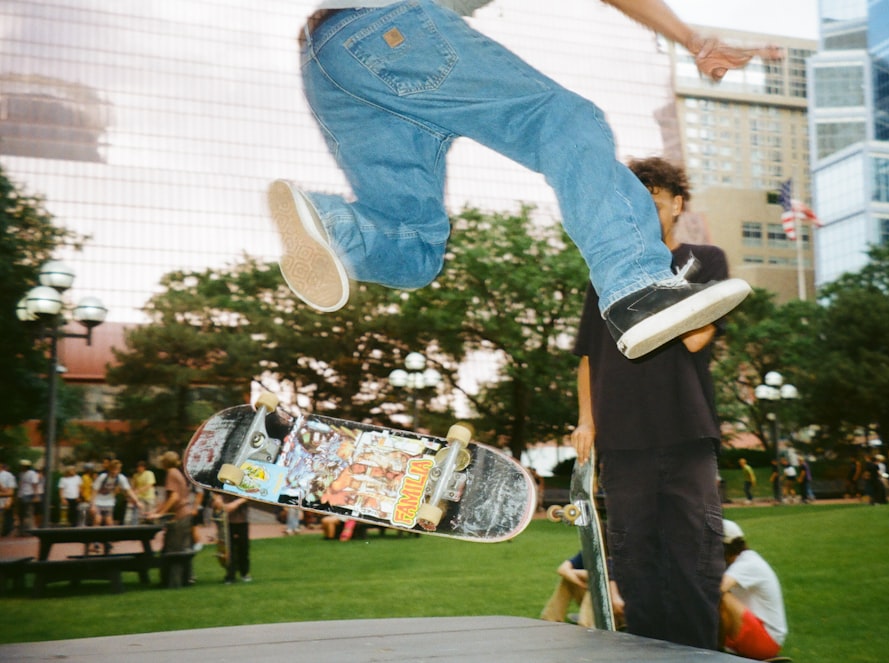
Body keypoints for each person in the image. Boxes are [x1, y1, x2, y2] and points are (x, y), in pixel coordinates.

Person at [271, 1, 781, 361]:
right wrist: (693, 40)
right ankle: (638, 286)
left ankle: (334, 225)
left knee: (415, 248)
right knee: (562, 120)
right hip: (391, 34)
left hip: (329, 64)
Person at [572, 157, 727, 649]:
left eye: (653, 201)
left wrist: (652, 269)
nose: (641, 212)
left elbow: (698, 338)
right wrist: (585, 423)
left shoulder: (705, 259)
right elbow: (587, 358)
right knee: (635, 566)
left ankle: (703, 655)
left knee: (695, 560)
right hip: (622, 437)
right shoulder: (604, 276)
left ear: (677, 204)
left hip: (687, 432)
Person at [719, 519, 787, 660]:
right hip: (761, 636)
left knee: (720, 596)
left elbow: (718, 589)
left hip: (766, 642)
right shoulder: (740, 562)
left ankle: (714, 651)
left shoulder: (747, 563)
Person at [539, 551, 625, 629]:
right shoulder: (590, 551)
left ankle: (586, 628)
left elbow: (602, 576)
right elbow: (562, 569)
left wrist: (576, 573)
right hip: (600, 604)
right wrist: (582, 584)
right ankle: (550, 620)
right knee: (568, 579)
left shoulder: (620, 555)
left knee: (595, 583)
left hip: (620, 608)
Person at [213, 492, 252, 583]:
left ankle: (244, 573)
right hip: (226, 521)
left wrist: (239, 501)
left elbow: (252, 495)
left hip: (242, 520)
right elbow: (216, 496)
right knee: (228, 549)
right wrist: (217, 499)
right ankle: (230, 575)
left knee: (243, 548)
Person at [16, 460, 41, 534]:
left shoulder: (32, 473)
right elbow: (20, 484)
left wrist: (36, 496)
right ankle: (22, 530)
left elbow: (35, 484)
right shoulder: (21, 474)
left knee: (28, 512)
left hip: (28, 494)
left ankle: (29, 530)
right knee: (21, 513)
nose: (21, 467)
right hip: (21, 494)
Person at [0, 463, 16, 536]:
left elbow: (10, 491)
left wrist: (9, 500)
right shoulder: (8, 475)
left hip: (3, 502)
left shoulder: (7, 475)